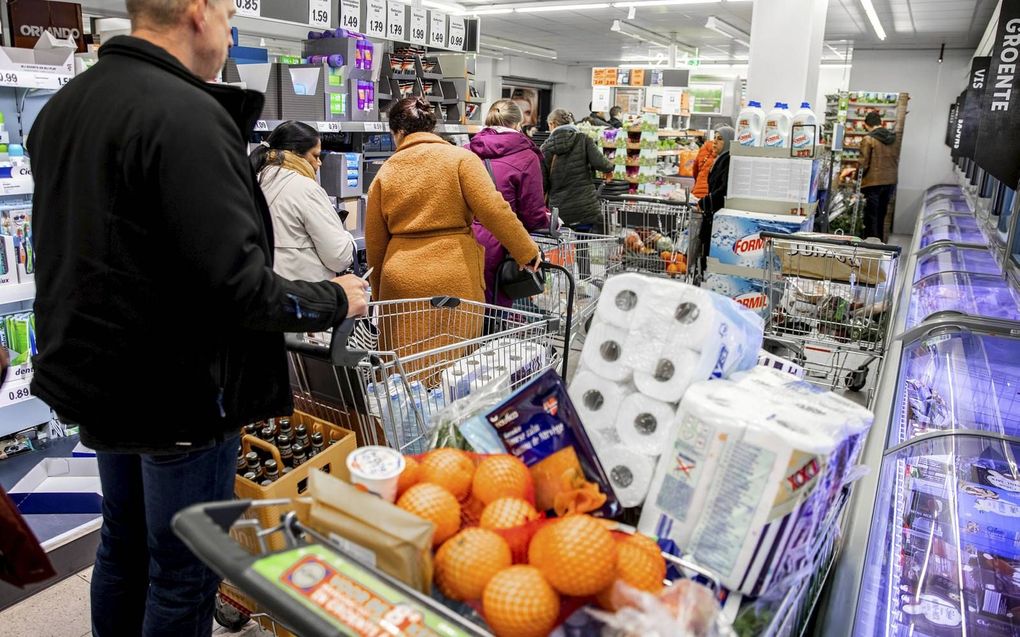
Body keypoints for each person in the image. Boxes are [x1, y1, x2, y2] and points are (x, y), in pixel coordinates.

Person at [26, 1, 369, 635]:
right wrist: (336, 298)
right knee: (183, 573)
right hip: (182, 388)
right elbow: (237, 290)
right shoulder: (188, 115)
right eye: (230, 16)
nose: (231, 31)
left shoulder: (64, 109)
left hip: (101, 378)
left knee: (122, 547)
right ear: (198, 13)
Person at [366, 97, 541, 358]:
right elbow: (494, 209)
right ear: (432, 128)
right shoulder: (460, 159)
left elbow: (375, 242)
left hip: (401, 278)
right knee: (454, 361)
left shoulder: (386, 172)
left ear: (397, 132)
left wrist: (380, 294)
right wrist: (526, 251)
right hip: (454, 271)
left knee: (403, 364)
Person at [467, 99, 551, 307]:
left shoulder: (466, 150)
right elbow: (532, 213)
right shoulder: (526, 156)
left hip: (464, 239)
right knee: (496, 309)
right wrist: (550, 223)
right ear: (517, 124)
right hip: (502, 241)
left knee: (468, 309)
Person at [251, 121, 357, 281]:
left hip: (267, 290)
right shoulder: (306, 189)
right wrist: (348, 239)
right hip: (305, 295)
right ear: (294, 153)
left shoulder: (254, 180)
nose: (319, 163)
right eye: (315, 155)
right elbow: (339, 257)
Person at [542, 108, 616, 231]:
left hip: (560, 210)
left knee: (563, 247)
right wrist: (608, 171)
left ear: (552, 124)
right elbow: (602, 164)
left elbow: (542, 183)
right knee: (583, 243)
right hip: (585, 208)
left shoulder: (545, 148)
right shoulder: (583, 139)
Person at [857, 111, 899, 240]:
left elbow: (863, 163)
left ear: (866, 125)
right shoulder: (893, 138)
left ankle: (871, 244)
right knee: (882, 214)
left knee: (871, 216)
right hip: (890, 181)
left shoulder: (868, 139)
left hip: (872, 183)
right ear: (880, 123)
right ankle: (881, 241)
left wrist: (856, 178)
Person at [699, 126, 736, 269]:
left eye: (720, 139)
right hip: (713, 216)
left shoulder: (728, 161)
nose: (714, 142)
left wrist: (704, 203)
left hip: (719, 218)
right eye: (714, 138)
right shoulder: (721, 159)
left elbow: (724, 190)